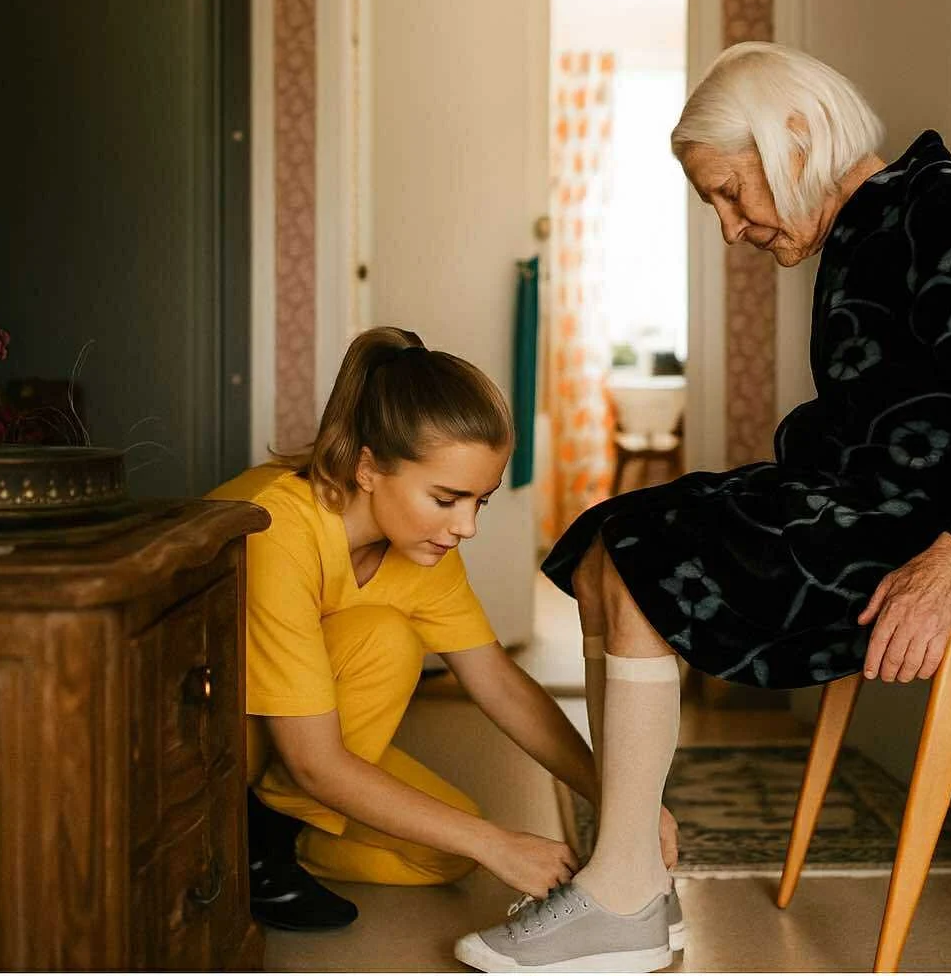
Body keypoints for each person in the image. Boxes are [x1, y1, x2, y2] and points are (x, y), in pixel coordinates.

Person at [454, 42, 951, 972]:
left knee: (648, 557)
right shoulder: (867, 230)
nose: (730, 228)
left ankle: (623, 897)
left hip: (933, 530)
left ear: (795, 136)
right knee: (608, 537)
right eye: (715, 204)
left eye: (731, 192)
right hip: (858, 502)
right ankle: (630, 871)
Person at [207, 325, 679, 933]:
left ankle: (265, 841)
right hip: (208, 744)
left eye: (479, 502)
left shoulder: (419, 546)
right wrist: (499, 845)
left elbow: (500, 685)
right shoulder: (278, 530)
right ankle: (260, 854)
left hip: (289, 754)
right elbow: (315, 762)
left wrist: (619, 800)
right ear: (368, 467)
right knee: (386, 641)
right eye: (447, 498)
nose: (467, 527)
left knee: (446, 851)